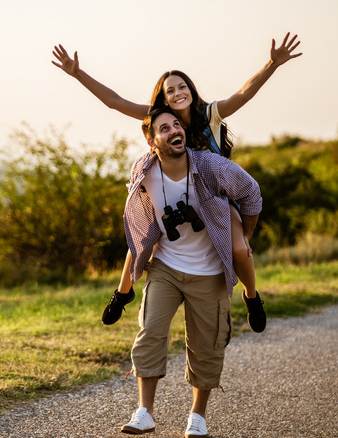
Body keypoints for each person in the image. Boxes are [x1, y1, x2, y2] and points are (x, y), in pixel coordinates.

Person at [52, 33, 302, 331]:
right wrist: (77, 72)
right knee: (140, 239)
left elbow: (244, 93)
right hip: (173, 195)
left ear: (191, 90)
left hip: (215, 197)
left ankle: (251, 296)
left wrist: (271, 64)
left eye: (183, 86)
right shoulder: (160, 118)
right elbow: (114, 102)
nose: (178, 92)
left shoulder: (210, 114)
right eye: (171, 90)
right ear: (164, 97)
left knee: (239, 250)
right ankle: (122, 293)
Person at [116, 106, 262, 436]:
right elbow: (138, 217)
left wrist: (243, 234)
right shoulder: (143, 168)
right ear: (152, 140)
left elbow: (251, 192)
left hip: (209, 270)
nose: (173, 130)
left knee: (206, 345)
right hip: (165, 266)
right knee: (150, 331)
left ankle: (197, 416)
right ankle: (144, 412)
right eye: (164, 128)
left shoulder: (211, 167)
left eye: (176, 125)